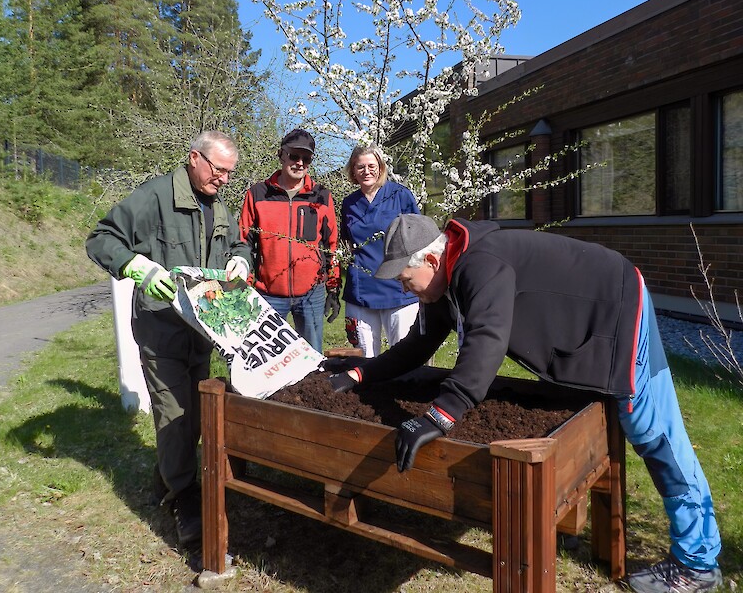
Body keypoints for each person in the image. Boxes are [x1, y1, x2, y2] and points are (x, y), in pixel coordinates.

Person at [327, 214, 723, 593]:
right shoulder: (445, 276)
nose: (403, 288)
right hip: (583, 320)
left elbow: (488, 337)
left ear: (431, 259)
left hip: (617, 303)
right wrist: (363, 372)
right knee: (584, 410)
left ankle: (697, 563)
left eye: (406, 279)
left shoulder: (481, 264)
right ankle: (574, 528)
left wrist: (442, 414)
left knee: (652, 430)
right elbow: (419, 344)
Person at [85, 130, 251, 548]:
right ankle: (186, 499)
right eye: (219, 170)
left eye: (230, 173)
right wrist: (137, 267)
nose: (225, 180)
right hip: (162, 330)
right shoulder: (155, 196)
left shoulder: (219, 205)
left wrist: (240, 259)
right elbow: (102, 239)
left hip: (201, 331)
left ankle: (164, 478)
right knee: (175, 416)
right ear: (194, 158)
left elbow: (238, 243)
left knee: (193, 415)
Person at [239, 128, 340, 353]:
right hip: (269, 293)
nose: (300, 163)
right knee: (266, 358)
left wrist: (333, 288)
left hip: (311, 293)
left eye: (306, 158)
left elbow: (331, 245)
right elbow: (244, 242)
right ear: (281, 155)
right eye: (294, 156)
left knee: (312, 358)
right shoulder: (257, 194)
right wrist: (244, 286)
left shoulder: (321, 196)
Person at [339, 144, 420, 357]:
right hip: (361, 290)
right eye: (360, 167)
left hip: (397, 288)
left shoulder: (400, 195)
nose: (366, 171)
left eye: (371, 166)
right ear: (353, 171)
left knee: (404, 355)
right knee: (364, 357)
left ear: (381, 167)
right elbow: (347, 242)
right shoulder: (349, 203)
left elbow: (419, 239)